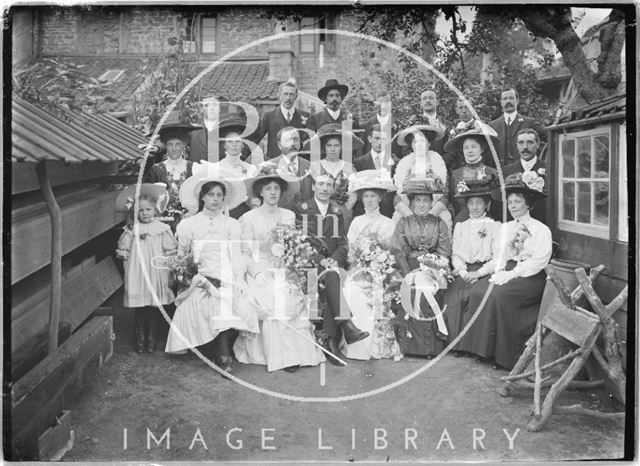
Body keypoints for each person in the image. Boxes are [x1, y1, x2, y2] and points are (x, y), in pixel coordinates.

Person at [165, 171, 260, 375]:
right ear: (202, 197)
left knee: (231, 300)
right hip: (199, 278)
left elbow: (236, 256)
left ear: (224, 198)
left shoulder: (232, 225)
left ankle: (220, 350)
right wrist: (189, 277)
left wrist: (236, 280)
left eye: (219, 195)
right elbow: (182, 258)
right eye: (211, 195)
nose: (215, 199)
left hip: (226, 276)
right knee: (210, 302)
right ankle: (222, 355)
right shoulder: (188, 224)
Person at [233, 165, 325, 372]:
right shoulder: (249, 219)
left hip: (284, 267)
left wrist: (294, 267)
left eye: (276, 188)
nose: (273, 192)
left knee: (289, 291)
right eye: (268, 188)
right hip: (259, 270)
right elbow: (246, 253)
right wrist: (257, 273)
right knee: (274, 296)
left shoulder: (288, 215)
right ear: (260, 192)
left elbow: (292, 248)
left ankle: (299, 353)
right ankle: (282, 356)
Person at [457, 171, 552, 370]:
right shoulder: (505, 228)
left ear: (528, 204)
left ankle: (504, 356)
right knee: (479, 291)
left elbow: (540, 260)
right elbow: (498, 257)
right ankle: (481, 350)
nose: (513, 206)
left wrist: (514, 273)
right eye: (510, 202)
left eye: (517, 201)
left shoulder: (541, 229)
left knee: (499, 296)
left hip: (530, 276)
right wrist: (488, 272)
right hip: (506, 271)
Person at [291, 174, 370, 366]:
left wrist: (333, 260)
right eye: (321, 184)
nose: (325, 188)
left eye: (329, 185)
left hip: (331, 265)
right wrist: (320, 260)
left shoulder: (337, 210)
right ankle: (345, 327)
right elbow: (300, 243)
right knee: (329, 278)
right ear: (313, 187)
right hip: (309, 264)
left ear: (333, 188)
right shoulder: (302, 209)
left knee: (330, 280)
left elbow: (343, 243)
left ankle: (331, 343)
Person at [342, 170, 401, 360]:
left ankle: (377, 344)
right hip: (359, 270)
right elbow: (350, 251)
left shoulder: (388, 223)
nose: (369, 200)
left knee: (377, 288)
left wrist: (378, 264)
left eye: (373, 196)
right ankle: (356, 342)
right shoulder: (357, 222)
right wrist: (361, 264)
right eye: (365, 196)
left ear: (380, 198)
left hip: (382, 271)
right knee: (351, 288)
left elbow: (391, 251)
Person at [392, 173, 451, 358]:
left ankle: (429, 348)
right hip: (407, 267)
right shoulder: (403, 222)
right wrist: (408, 273)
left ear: (432, 202)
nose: (422, 205)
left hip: (432, 268)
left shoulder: (439, 223)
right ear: (411, 202)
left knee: (428, 291)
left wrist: (435, 269)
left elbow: (443, 252)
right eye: (418, 200)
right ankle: (409, 347)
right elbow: (398, 251)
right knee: (412, 288)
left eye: (426, 200)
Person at [115, 184, 178, 353]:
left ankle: (152, 338)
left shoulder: (162, 229)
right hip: (139, 271)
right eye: (141, 210)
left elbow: (170, 250)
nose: (145, 213)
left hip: (156, 270)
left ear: (156, 211)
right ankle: (139, 338)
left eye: (148, 209)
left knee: (154, 306)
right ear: (136, 212)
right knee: (141, 308)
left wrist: (170, 263)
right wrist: (125, 255)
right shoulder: (131, 229)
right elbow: (123, 248)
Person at [443, 178, 501, 354]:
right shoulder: (461, 226)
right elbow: (456, 253)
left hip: (485, 271)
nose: (475, 207)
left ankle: (471, 346)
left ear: (487, 205)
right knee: (452, 296)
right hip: (465, 270)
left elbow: (498, 257)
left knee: (475, 297)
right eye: (471, 203)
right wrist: (461, 270)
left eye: (479, 203)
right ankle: (455, 345)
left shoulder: (496, 226)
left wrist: (480, 273)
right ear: (467, 205)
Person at [144, 110, 203, 228]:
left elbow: (200, 198)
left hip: (190, 224)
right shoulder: (156, 169)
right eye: (170, 144)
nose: (174, 148)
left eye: (178, 144)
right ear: (165, 145)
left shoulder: (194, 168)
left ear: (184, 145)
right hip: (162, 224)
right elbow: (148, 200)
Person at [194, 113, 259, 219]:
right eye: (230, 142)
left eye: (237, 141)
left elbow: (253, 198)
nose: (234, 144)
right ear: (225, 145)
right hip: (221, 215)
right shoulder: (216, 168)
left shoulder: (251, 169)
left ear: (242, 144)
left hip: (245, 214)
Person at [393, 125, 452, 231]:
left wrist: (432, 212)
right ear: (411, 145)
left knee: (445, 220)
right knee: (397, 221)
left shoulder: (437, 162)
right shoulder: (405, 164)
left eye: (422, 141)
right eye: (415, 142)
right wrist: (408, 213)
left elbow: (444, 194)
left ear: (429, 143)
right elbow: (399, 193)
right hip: (410, 207)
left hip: (433, 206)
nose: (419, 145)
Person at [442, 125, 500, 225]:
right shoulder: (456, 175)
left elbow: (496, 202)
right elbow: (453, 202)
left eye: (474, 147)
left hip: (488, 222)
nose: (470, 151)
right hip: (462, 222)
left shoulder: (492, 173)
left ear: (481, 149)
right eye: (466, 148)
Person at [308, 124, 362, 229]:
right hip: (320, 211)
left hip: (343, 211)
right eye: (329, 145)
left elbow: (354, 191)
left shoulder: (349, 167)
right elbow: (312, 191)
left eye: (336, 145)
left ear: (341, 147)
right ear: (324, 147)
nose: (333, 149)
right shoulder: (315, 166)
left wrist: (345, 207)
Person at [249, 80, 310, 160]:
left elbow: (308, 143)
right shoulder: (268, 116)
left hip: (297, 162)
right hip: (275, 163)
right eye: (285, 94)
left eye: (291, 94)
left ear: (296, 96)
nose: (288, 98)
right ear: (280, 96)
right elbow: (255, 139)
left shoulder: (304, 116)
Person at [488, 88, 547, 168]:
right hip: (501, 174)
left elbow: (551, 136)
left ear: (517, 100)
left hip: (524, 172)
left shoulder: (529, 122)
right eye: (505, 99)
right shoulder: (492, 126)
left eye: (511, 98)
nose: (508, 101)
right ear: (501, 103)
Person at [502, 128, 547, 223]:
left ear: (538, 145)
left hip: (542, 225)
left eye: (530, 142)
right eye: (521, 143)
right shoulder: (506, 171)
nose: (525, 147)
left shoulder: (549, 170)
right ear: (517, 146)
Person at [406, 89, 452, 166]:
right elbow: (407, 148)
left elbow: (450, 150)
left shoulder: (447, 125)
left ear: (437, 102)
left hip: (441, 167)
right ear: (421, 103)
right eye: (424, 98)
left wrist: (438, 164)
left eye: (431, 98)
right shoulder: (413, 123)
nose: (427, 101)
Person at [270, 126, 313, 207]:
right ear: (279, 145)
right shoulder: (270, 167)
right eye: (287, 140)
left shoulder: (310, 166)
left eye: (295, 140)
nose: (292, 143)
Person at [361, 90, 401, 155]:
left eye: (386, 102)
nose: (383, 106)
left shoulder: (399, 126)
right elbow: (360, 153)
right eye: (381, 102)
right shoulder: (365, 126)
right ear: (375, 104)